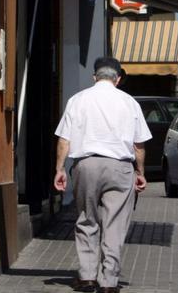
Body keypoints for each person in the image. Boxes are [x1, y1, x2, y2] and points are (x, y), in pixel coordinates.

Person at [53, 57, 151, 293]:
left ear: (94, 76)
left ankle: (87, 277)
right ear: (118, 78)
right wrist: (140, 172)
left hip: (86, 165)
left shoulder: (77, 100)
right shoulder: (130, 103)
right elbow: (139, 145)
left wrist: (59, 169)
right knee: (114, 224)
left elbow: (64, 139)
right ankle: (109, 281)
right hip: (120, 167)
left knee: (87, 219)